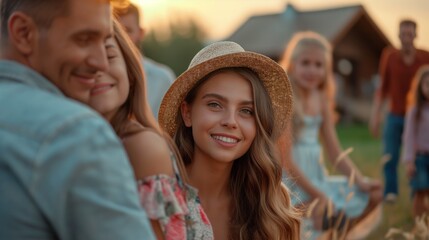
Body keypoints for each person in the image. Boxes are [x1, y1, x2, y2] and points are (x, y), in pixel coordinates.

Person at [0, 0, 155, 239]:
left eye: (105, 42)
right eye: (84, 39)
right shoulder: (76, 134)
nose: (100, 63)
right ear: (23, 33)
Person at [158, 41, 301, 239]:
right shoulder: (160, 197)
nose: (230, 122)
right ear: (187, 113)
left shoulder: (270, 203)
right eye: (215, 105)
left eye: (246, 111)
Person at [88, 19, 213, 239]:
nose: (99, 67)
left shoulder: (140, 144)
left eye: (110, 56)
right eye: (84, 62)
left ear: (129, 68)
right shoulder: (93, 141)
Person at [278, 31, 382, 239]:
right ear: (292, 65)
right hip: (292, 182)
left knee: (374, 194)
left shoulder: (322, 101)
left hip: (317, 178)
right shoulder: (286, 100)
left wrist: (360, 182)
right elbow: (286, 161)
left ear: (326, 69)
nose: (312, 70)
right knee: (319, 211)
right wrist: (319, 196)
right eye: (305, 63)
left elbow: (335, 152)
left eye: (319, 65)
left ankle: (337, 235)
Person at [369, 19, 429, 202]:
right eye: (403, 34)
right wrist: (375, 115)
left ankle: (418, 192)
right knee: (390, 155)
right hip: (395, 114)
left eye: (410, 34)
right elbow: (382, 88)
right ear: (398, 35)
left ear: (416, 35)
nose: (406, 38)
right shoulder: (390, 56)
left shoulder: (425, 57)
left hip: (419, 116)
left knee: (419, 157)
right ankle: (391, 192)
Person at [114, 3, 175, 119]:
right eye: (116, 31)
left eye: (127, 31)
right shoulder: (97, 78)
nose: (120, 38)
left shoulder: (162, 78)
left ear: (140, 33)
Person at [402, 65, 429, 218]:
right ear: (420, 87)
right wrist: (409, 161)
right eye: (427, 84)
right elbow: (409, 136)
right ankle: (418, 222)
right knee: (420, 190)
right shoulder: (414, 111)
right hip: (419, 158)